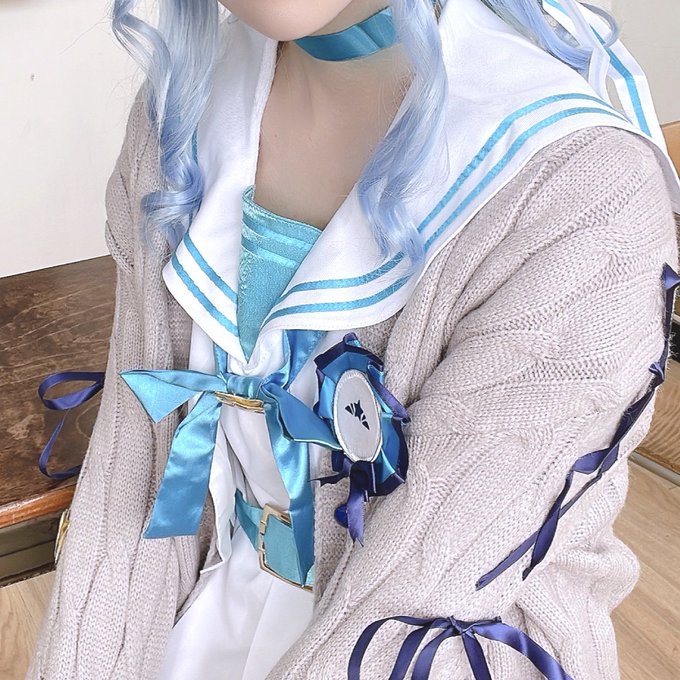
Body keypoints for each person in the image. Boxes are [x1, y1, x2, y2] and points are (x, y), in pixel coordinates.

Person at [27, 0, 680, 679]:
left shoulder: (579, 193)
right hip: (212, 615)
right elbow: (133, 482)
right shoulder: (181, 113)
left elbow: (410, 605)